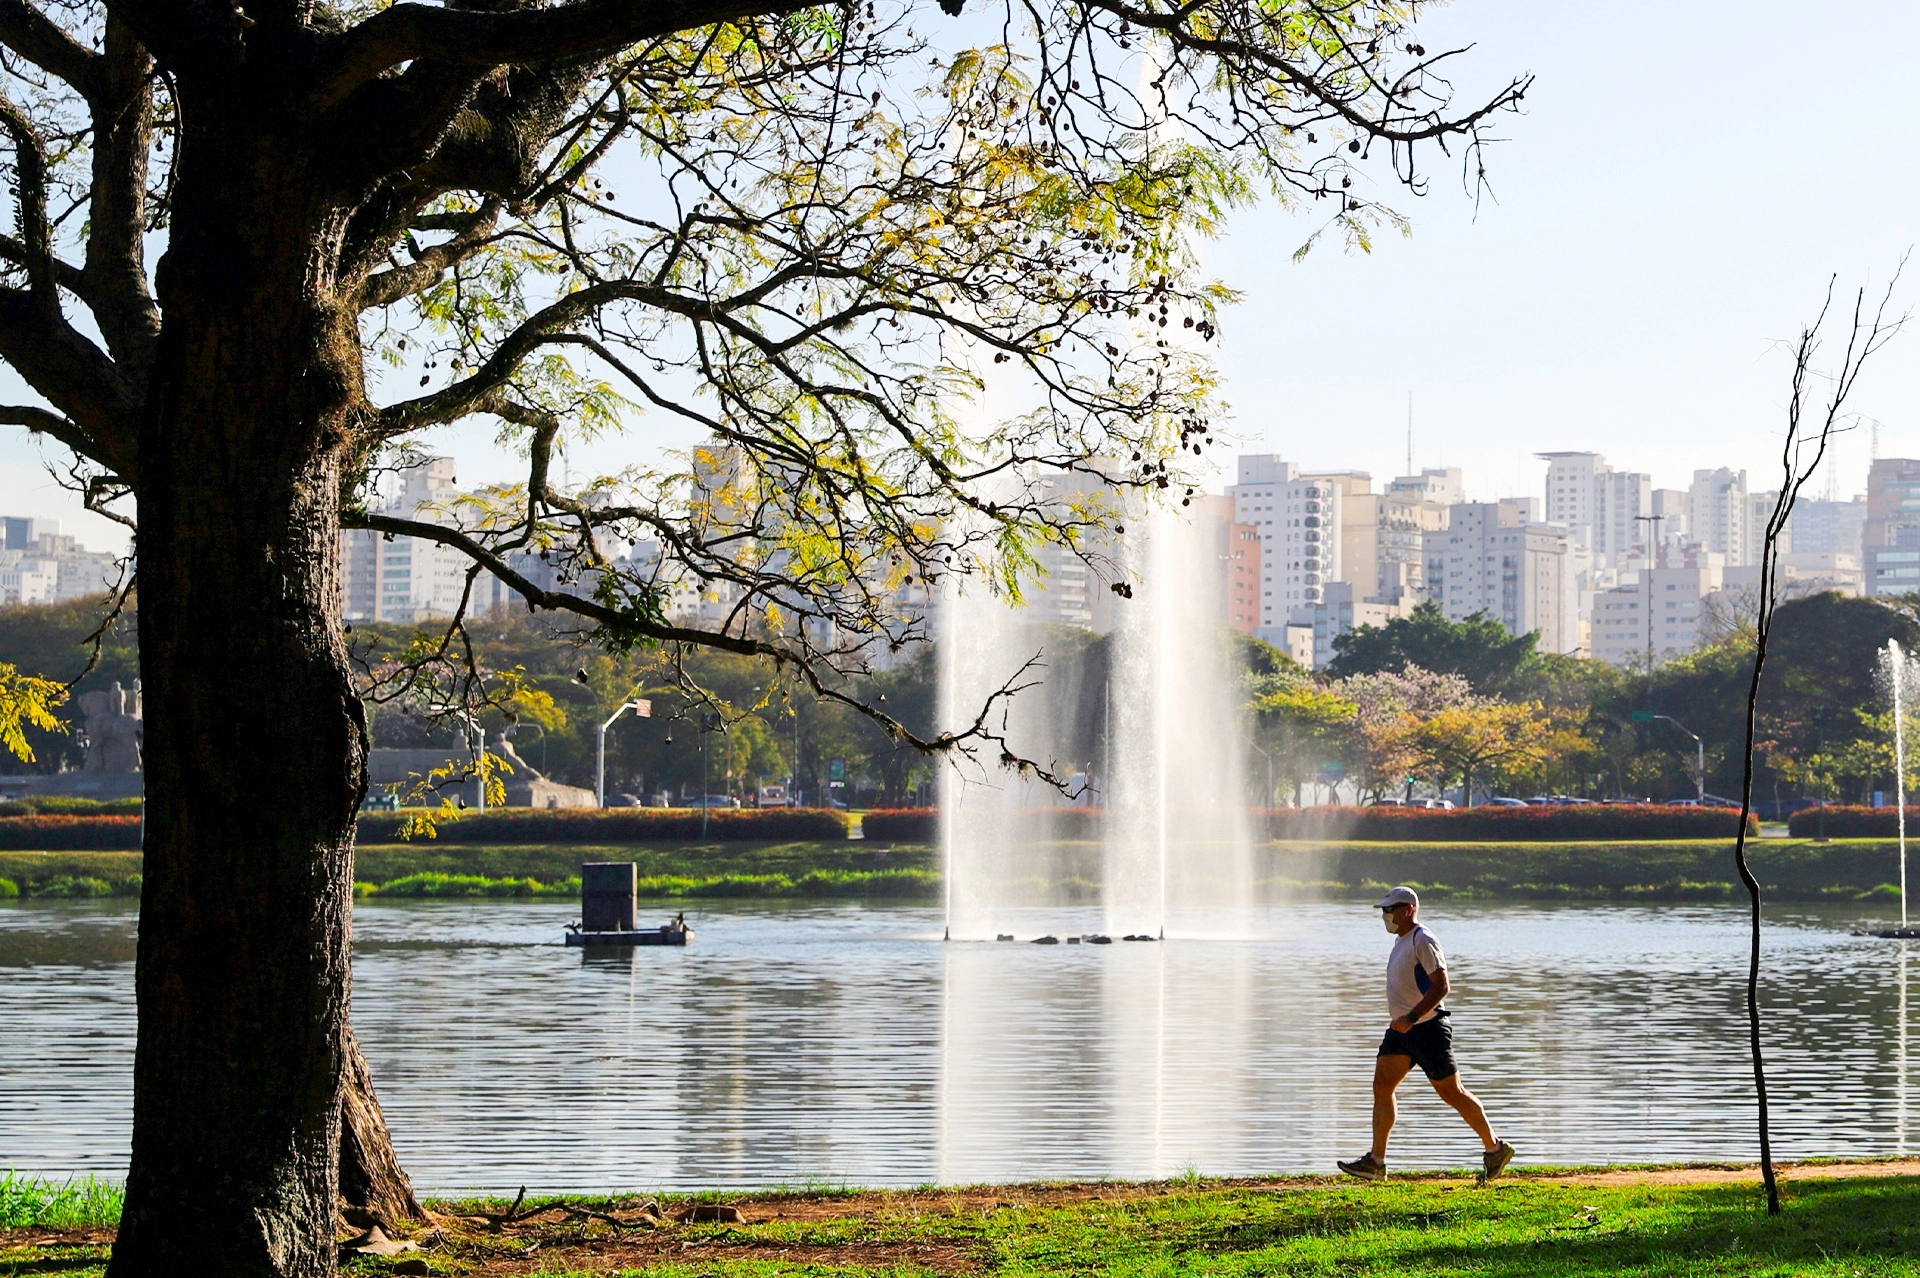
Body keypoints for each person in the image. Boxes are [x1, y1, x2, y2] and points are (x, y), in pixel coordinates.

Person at [1338, 886, 1514, 1183]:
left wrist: (1413, 1016)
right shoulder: (1401, 941)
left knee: (1452, 1093)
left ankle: (1495, 1148)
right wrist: (1403, 1021)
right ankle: (1376, 1162)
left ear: (1408, 910)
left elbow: (1442, 986)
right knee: (1382, 1086)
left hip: (1428, 1028)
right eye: (1384, 911)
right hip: (1401, 1030)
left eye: (1390, 910)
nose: (1386, 916)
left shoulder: (1423, 939)